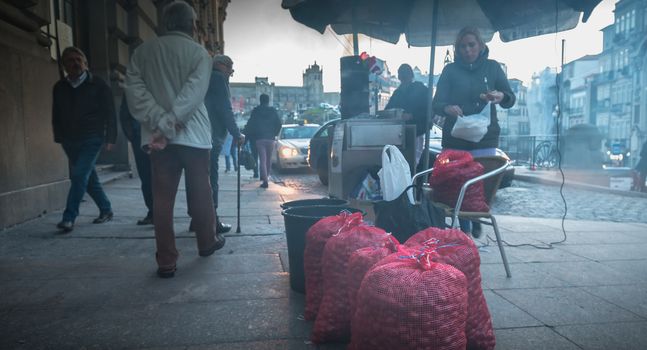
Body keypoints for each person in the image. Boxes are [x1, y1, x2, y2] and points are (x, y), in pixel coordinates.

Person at [124, 1, 224, 278]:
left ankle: (166, 260)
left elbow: (134, 92)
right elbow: (192, 96)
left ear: (165, 23)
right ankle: (206, 242)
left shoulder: (143, 52)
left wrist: (159, 123)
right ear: (192, 25)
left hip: (158, 139)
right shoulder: (199, 53)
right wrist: (170, 124)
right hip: (193, 136)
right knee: (201, 192)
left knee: (162, 199)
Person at [432, 26, 516, 238]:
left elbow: (510, 99)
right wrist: (447, 108)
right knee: (457, 183)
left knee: (482, 182)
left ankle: (476, 216)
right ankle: (466, 228)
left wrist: (500, 96)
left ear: (480, 45)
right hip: (456, 138)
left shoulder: (493, 68)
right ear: (457, 49)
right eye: (462, 46)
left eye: (471, 45)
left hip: (485, 137)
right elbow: (436, 104)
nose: (467, 50)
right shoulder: (450, 71)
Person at [52, 46, 117, 233]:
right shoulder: (59, 87)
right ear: (64, 65)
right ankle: (106, 209)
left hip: (92, 137)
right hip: (69, 140)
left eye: (78, 60)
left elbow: (110, 112)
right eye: (70, 60)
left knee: (79, 175)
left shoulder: (98, 84)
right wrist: (59, 135)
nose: (75, 63)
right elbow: (56, 113)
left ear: (85, 64)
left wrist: (111, 137)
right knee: (88, 178)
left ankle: (69, 217)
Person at [204, 54, 245, 232]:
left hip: (201, 132)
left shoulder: (205, 76)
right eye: (231, 70)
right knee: (211, 179)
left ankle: (197, 218)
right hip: (212, 135)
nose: (230, 74)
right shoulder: (218, 78)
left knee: (199, 177)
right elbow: (224, 108)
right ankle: (211, 221)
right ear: (223, 66)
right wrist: (236, 133)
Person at [385, 63, 429, 169]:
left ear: (410, 76)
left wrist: (411, 116)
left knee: (412, 164)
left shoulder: (421, 89)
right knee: (400, 165)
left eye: (405, 75)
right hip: (399, 135)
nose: (403, 78)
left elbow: (429, 111)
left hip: (417, 132)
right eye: (402, 76)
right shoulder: (397, 92)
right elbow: (388, 110)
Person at [119, 97, 153, 225]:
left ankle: (160, 212)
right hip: (138, 137)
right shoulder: (131, 88)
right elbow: (124, 113)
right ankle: (152, 211)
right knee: (145, 176)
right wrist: (131, 135)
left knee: (160, 177)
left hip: (158, 134)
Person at [243, 94, 282, 188]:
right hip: (271, 139)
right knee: (268, 160)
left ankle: (265, 180)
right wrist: (275, 134)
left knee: (262, 160)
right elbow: (279, 124)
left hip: (259, 138)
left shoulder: (256, 111)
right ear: (268, 101)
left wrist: (246, 136)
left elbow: (250, 124)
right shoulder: (273, 111)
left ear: (260, 101)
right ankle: (267, 177)